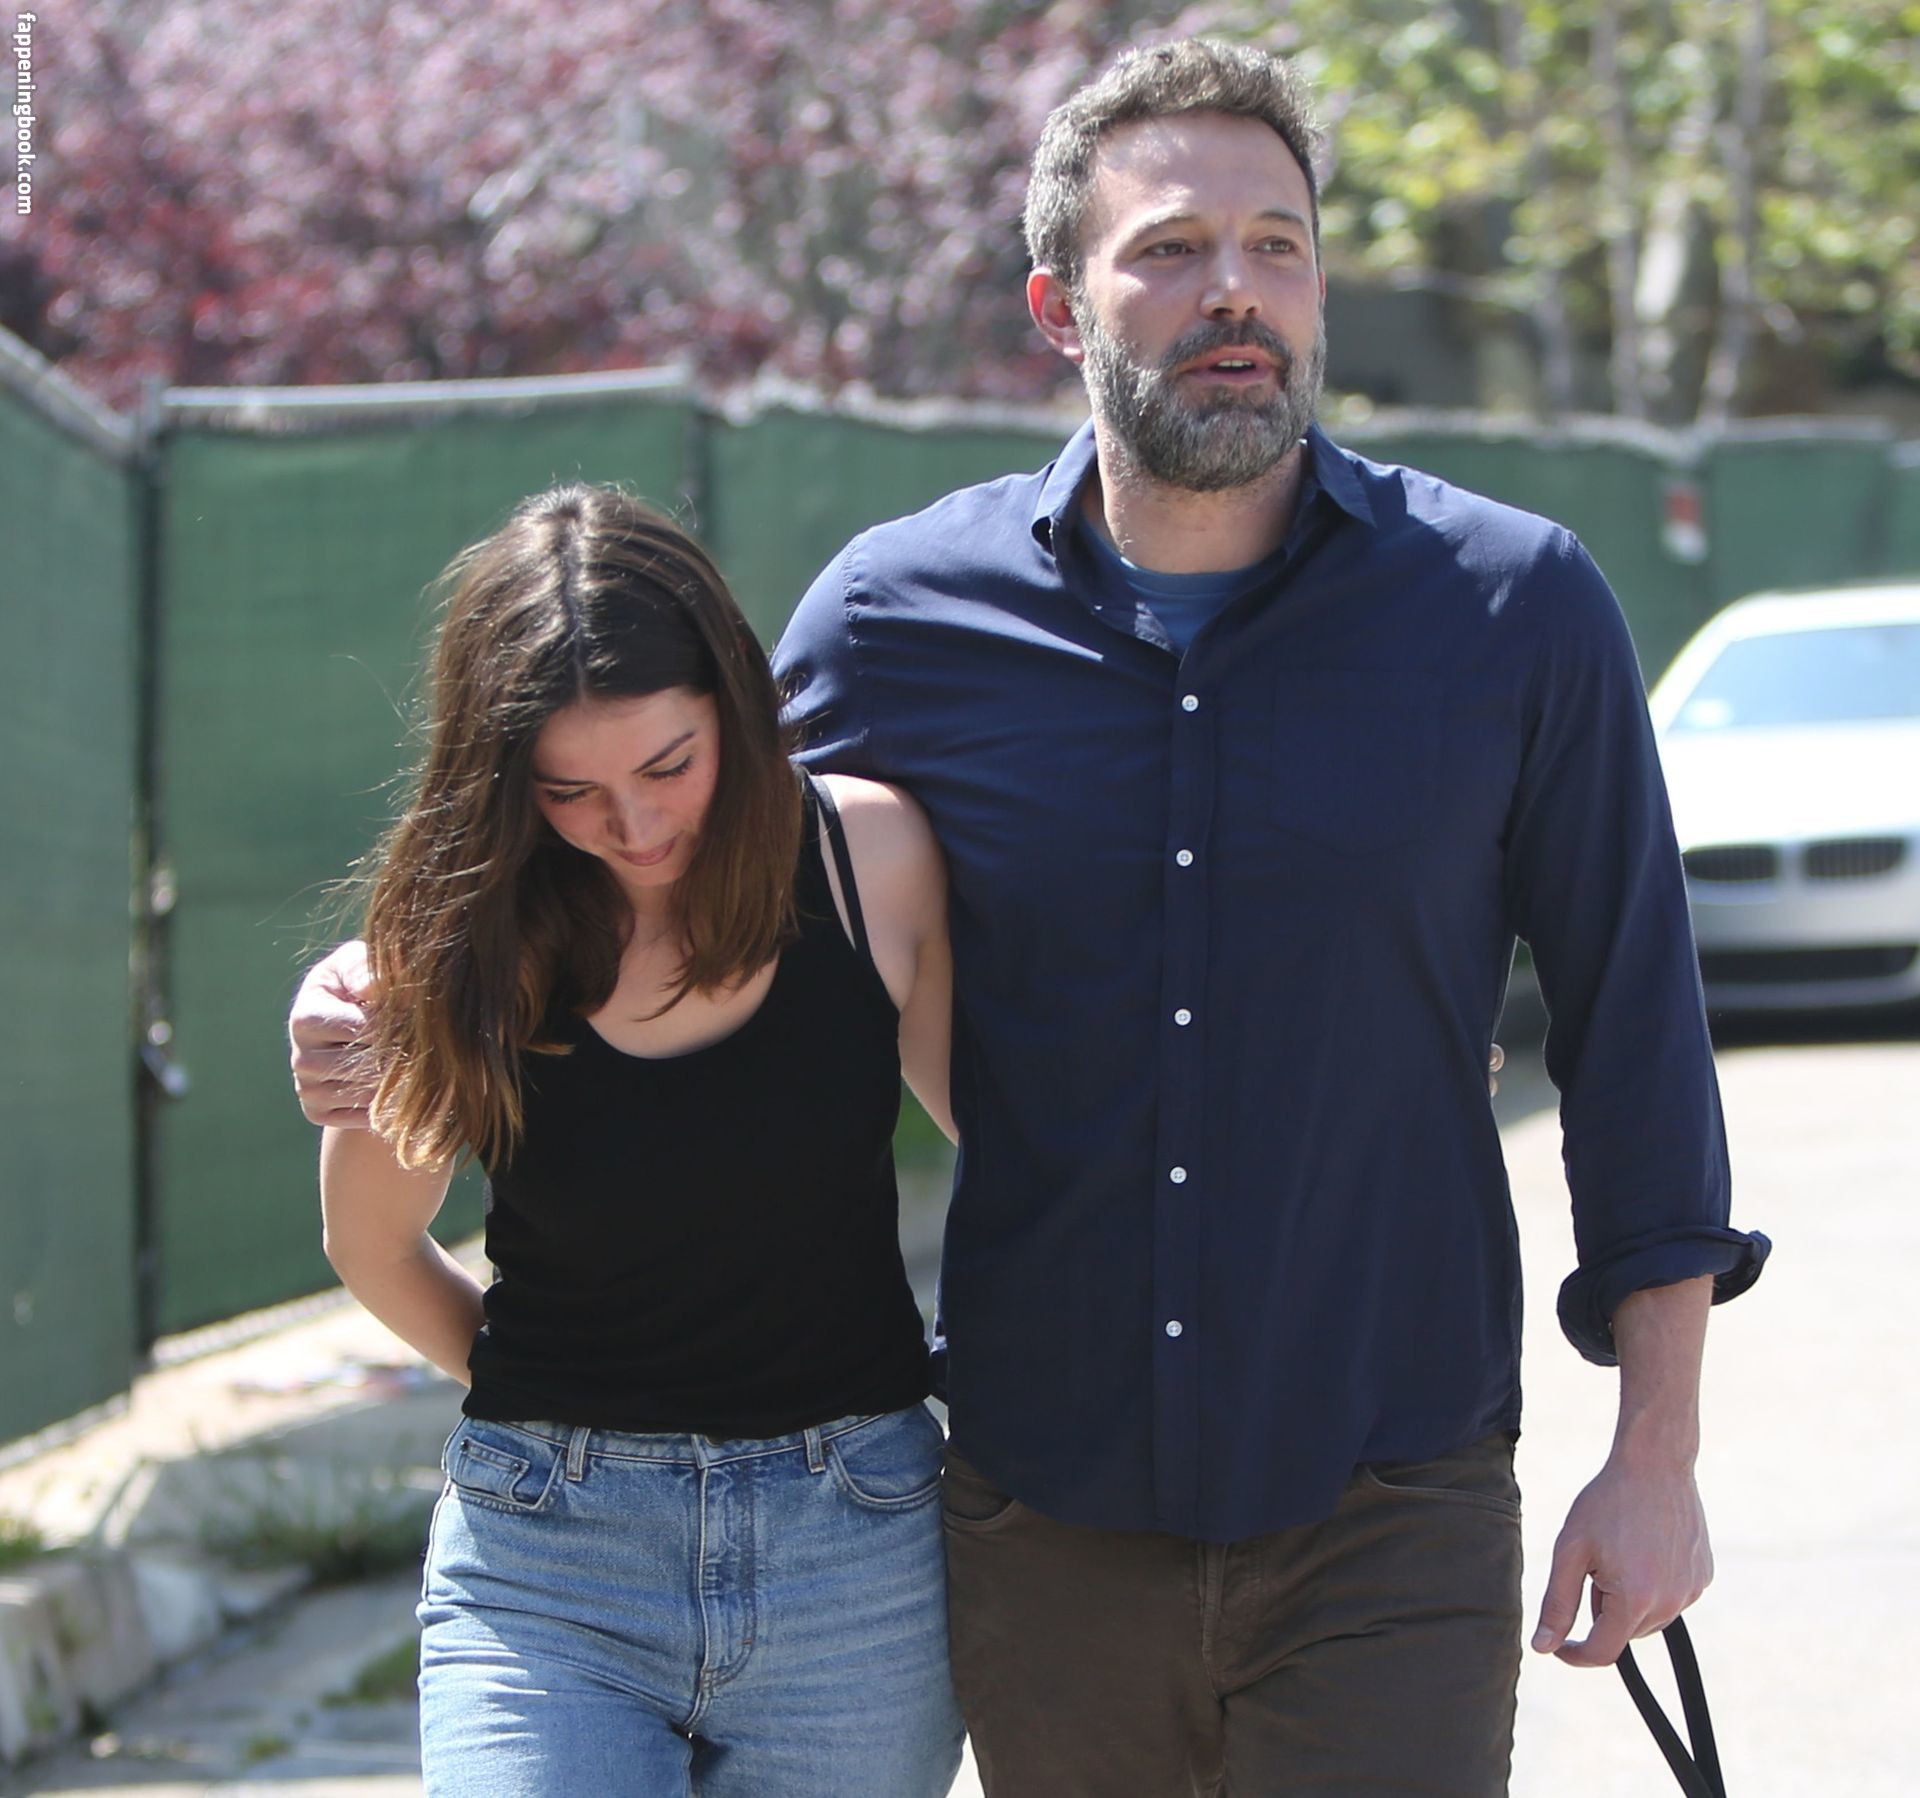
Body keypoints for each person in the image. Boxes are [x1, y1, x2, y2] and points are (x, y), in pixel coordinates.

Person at [296, 37, 1770, 1798]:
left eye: (1278, 244)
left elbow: (1636, 1039)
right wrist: (376, 978)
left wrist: (1657, 1454)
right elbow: (641, 831)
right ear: (1059, 307)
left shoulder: (1514, 609)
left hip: (1392, 1487)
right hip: (1044, 1512)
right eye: (1170, 249)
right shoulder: (895, 618)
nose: (1235, 290)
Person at [304, 484, 965, 1797]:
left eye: (669, 765)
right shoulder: (460, 937)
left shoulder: (870, 859)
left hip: (858, 1553)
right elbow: (369, 1241)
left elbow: (1014, 1148)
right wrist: (571, 1416)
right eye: (571, 790)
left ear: (734, 701)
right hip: (549, 1562)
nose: (638, 824)